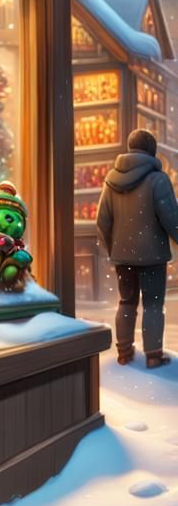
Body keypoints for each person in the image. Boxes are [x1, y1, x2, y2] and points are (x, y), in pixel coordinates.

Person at [96, 128, 178, 368]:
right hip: (152, 256)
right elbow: (171, 218)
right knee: (153, 304)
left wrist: (113, 249)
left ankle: (124, 351)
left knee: (126, 301)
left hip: (122, 256)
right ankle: (153, 355)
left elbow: (102, 221)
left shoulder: (111, 180)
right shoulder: (158, 180)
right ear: (152, 150)